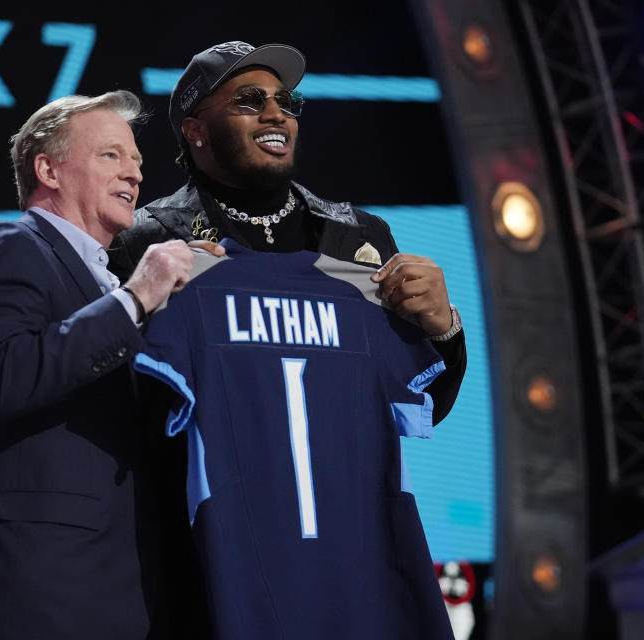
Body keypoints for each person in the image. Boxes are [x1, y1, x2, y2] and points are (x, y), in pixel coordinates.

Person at [0, 91, 214, 640]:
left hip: (119, 590)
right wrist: (137, 296)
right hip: (28, 592)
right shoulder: (8, 245)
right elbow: (4, 378)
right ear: (48, 169)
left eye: (138, 161)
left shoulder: (108, 284)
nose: (135, 174)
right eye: (111, 156)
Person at [109, 40, 466, 421]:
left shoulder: (359, 236)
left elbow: (417, 405)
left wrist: (444, 330)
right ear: (196, 131)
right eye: (249, 100)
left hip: (346, 478)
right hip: (214, 479)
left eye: (286, 101)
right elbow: (121, 411)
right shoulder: (145, 241)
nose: (276, 114)